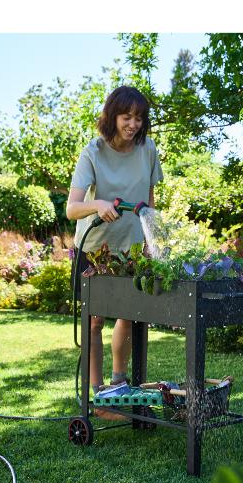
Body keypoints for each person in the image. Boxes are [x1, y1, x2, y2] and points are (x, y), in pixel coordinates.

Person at [67, 86, 163, 407]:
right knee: (95, 320)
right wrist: (98, 204)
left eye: (138, 118)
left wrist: (152, 242)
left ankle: (119, 384)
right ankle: (98, 395)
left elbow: (149, 202)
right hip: (96, 249)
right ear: (113, 117)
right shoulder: (92, 152)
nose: (133, 124)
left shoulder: (148, 149)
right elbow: (72, 209)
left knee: (133, 313)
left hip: (132, 249)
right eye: (126, 117)